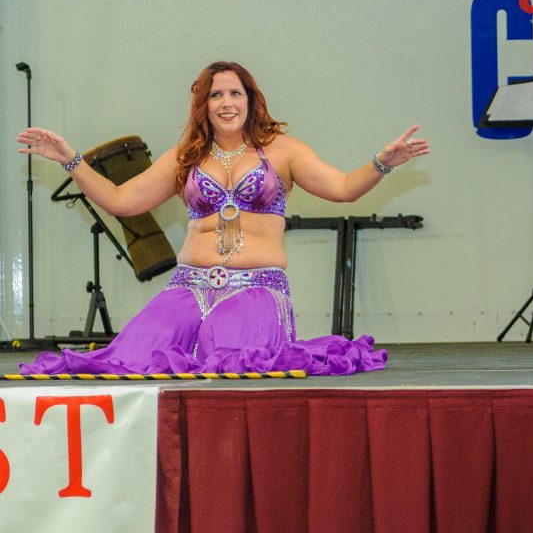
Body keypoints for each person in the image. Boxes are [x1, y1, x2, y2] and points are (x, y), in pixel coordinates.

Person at [15, 61, 430, 375]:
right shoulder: (185, 156)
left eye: (235, 93)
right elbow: (121, 200)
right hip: (189, 285)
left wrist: (383, 162)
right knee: (136, 353)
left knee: (228, 348)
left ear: (250, 100)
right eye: (216, 95)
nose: (227, 103)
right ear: (203, 104)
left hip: (256, 288)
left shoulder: (283, 151)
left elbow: (343, 188)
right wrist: (70, 159)